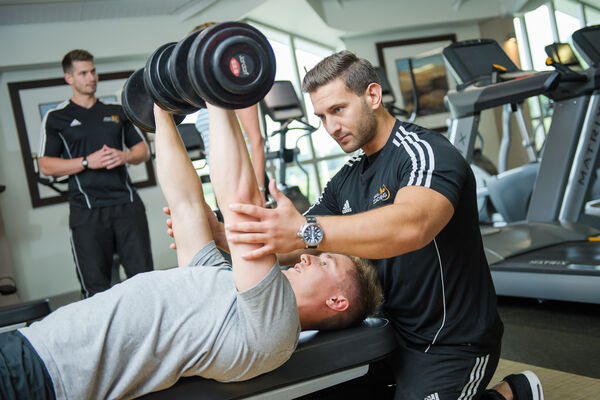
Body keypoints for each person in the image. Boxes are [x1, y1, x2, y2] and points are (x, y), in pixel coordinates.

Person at [0, 101, 383, 400]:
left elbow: (240, 203)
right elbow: (184, 203)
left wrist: (218, 99)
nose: (306, 255)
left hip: (41, 377)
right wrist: (160, 114)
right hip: (31, 345)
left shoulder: (275, 328)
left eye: (325, 260)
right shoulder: (229, 284)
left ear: (337, 301)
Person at [224, 50, 544, 400]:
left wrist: (304, 230)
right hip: (386, 330)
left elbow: (411, 226)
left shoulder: (424, 152)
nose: (331, 127)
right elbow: (291, 240)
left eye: (338, 110)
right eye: (322, 117)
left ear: (372, 96)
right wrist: (226, 238)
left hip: (450, 342)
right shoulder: (346, 178)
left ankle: (510, 393)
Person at [38, 49, 153, 298]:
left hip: (127, 206)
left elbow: (143, 150)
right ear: (69, 78)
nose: (91, 77)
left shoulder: (117, 110)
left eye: (93, 71)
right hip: (86, 212)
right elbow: (46, 165)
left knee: (144, 281)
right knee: (96, 289)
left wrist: (124, 156)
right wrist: (86, 162)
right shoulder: (56, 117)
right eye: (83, 73)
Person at [191, 22, 268, 205]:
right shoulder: (207, 97)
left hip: (245, 181)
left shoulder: (237, 89)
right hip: (221, 181)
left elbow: (256, 140)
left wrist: (259, 190)